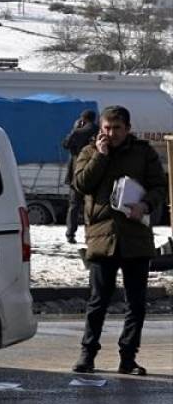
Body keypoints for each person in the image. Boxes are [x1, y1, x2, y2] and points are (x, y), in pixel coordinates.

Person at [71, 105, 167, 375]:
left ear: (127, 129)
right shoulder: (89, 151)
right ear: (100, 128)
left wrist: (145, 206)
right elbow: (81, 184)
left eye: (116, 129)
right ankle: (87, 355)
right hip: (102, 238)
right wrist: (100, 157)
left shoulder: (143, 152)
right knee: (98, 301)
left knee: (135, 303)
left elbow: (159, 186)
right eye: (106, 128)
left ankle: (128, 357)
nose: (110, 134)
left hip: (135, 238)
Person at [61, 109, 97, 243]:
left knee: (74, 205)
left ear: (83, 119)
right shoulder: (99, 130)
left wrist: (74, 129)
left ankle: (70, 234)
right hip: (93, 172)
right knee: (92, 205)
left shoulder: (78, 131)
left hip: (77, 172)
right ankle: (91, 235)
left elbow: (65, 144)